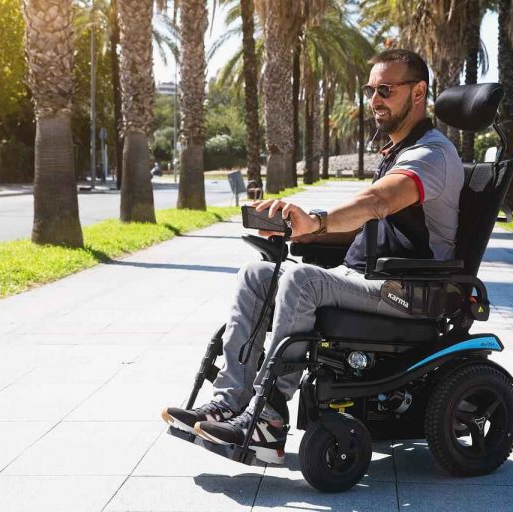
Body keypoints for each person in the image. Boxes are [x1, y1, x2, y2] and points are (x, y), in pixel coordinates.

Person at [161, 49, 465, 464]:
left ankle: (268, 417)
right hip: (369, 278)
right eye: (371, 90)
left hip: (409, 290)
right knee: (256, 273)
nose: (375, 100)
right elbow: (366, 224)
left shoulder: (431, 154)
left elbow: (377, 202)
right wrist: (297, 228)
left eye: (385, 90)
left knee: (301, 280)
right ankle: (229, 401)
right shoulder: (399, 152)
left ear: (418, 92)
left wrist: (318, 221)